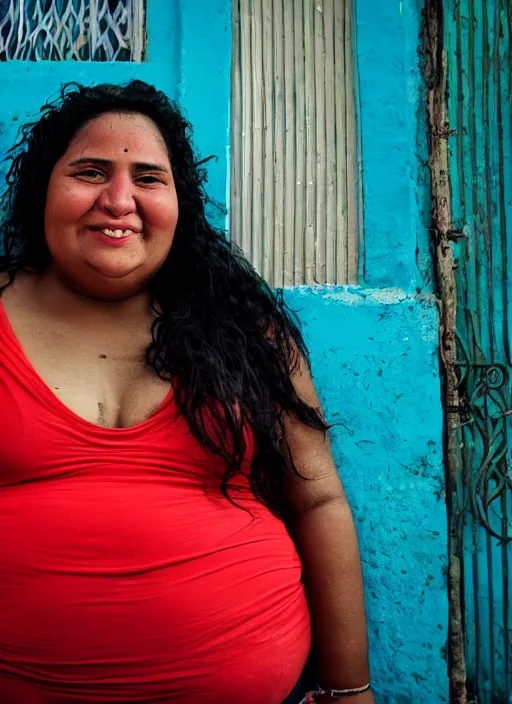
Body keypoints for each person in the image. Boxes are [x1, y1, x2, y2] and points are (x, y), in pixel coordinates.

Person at [0, 80, 373, 704]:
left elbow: (319, 501)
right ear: (44, 190)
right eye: (91, 171)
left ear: (180, 203)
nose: (119, 200)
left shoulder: (244, 328)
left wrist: (349, 691)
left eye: (148, 178)